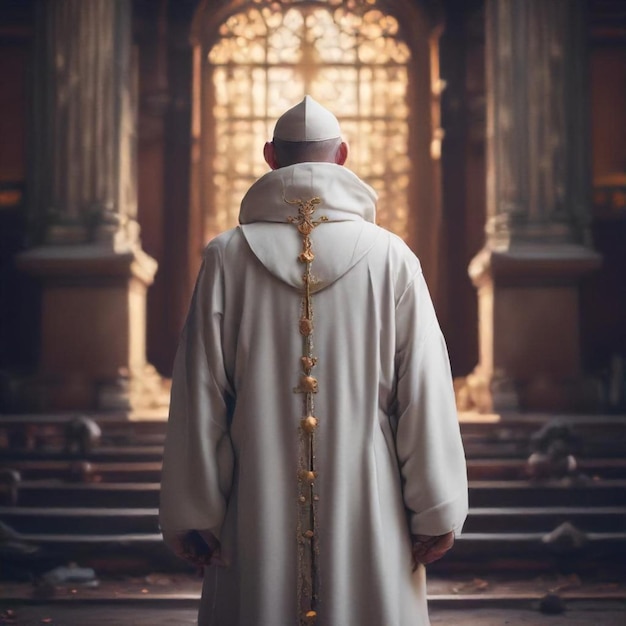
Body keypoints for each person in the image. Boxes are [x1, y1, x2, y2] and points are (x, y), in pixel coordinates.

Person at [159, 96, 468, 626]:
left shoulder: (226, 256)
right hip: (370, 500)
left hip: (256, 504)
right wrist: (435, 507)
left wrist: (195, 510)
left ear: (269, 158)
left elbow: (200, 395)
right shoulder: (392, 255)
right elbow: (423, 391)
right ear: (343, 155)